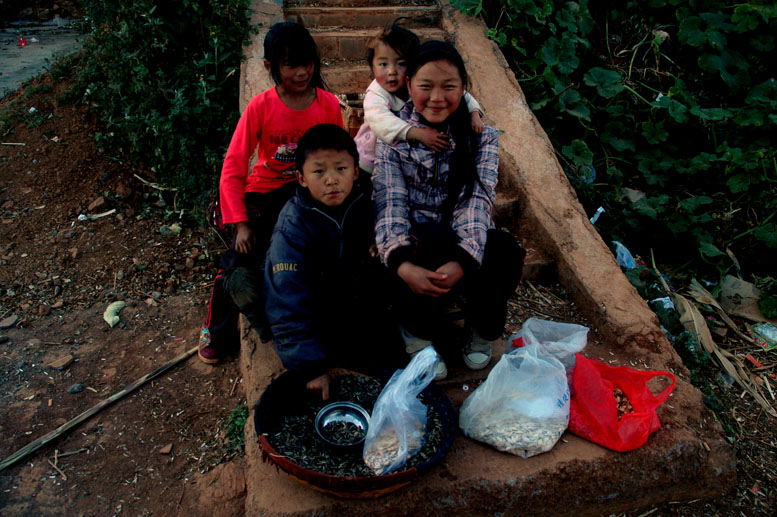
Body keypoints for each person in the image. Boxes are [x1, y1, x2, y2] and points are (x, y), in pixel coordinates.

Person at [372, 40, 526, 380]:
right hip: (416, 240)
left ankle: (481, 328)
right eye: (426, 87)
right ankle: (417, 332)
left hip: (459, 238)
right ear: (409, 84)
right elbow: (389, 203)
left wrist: (463, 259)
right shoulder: (393, 134)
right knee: (387, 253)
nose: (437, 98)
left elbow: (477, 200)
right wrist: (403, 265)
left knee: (503, 250)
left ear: (464, 89)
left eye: (448, 87)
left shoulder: (481, 136)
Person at [199, 22, 344, 364]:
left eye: (307, 63)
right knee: (236, 264)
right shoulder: (261, 107)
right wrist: (241, 223)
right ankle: (217, 331)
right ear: (270, 67)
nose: (302, 72)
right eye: (291, 64)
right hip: (265, 198)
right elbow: (234, 166)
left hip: (308, 196)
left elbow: (340, 158)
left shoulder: (326, 105)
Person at [264, 124, 397, 400]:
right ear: (301, 178)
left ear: (356, 171)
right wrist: (310, 368)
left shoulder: (370, 202)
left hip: (359, 303)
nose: (332, 180)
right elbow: (287, 301)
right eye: (319, 171)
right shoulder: (292, 226)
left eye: (341, 169)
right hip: (317, 310)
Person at [353, 22, 485, 175]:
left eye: (401, 64)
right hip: (367, 161)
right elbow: (380, 120)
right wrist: (418, 133)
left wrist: (473, 112)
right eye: (383, 64)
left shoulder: (417, 85)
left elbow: (459, 92)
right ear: (372, 67)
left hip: (399, 159)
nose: (391, 72)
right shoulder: (375, 93)